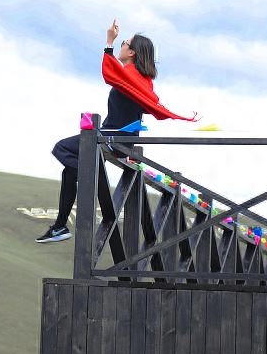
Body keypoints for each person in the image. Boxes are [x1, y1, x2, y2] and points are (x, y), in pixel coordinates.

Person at [36, 20, 194, 243]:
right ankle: (60, 226)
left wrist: (108, 41)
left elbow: (109, 73)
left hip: (112, 139)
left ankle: (91, 179)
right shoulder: (140, 79)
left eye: (124, 43)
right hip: (117, 138)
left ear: (132, 52)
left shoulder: (131, 76)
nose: (121, 46)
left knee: (61, 148)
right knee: (69, 172)